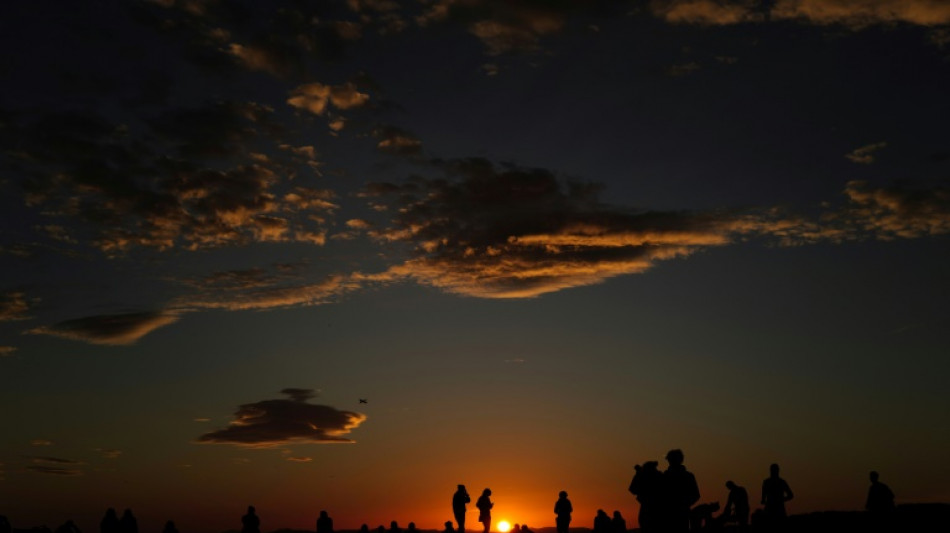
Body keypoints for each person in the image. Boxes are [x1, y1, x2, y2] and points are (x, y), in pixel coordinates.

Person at [662, 449, 700, 533]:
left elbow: (696, 495)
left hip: (680, 514)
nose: (670, 461)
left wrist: (684, 504)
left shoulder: (687, 476)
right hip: (668, 515)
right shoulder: (665, 476)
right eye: (670, 459)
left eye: (672, 459)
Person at [629, 462, 662, 533]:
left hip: (647, 507)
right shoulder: (660, 476)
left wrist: (638, 474)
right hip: (660, 508)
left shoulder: (643, 476)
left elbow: (632, 489)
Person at [761, 464, 793, 529]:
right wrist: (782, 499)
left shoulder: (767, 482)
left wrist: (781, 500)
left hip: (775, 508)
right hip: (776, 508)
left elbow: (763, 498)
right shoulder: (781, 482)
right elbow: (790, 495)